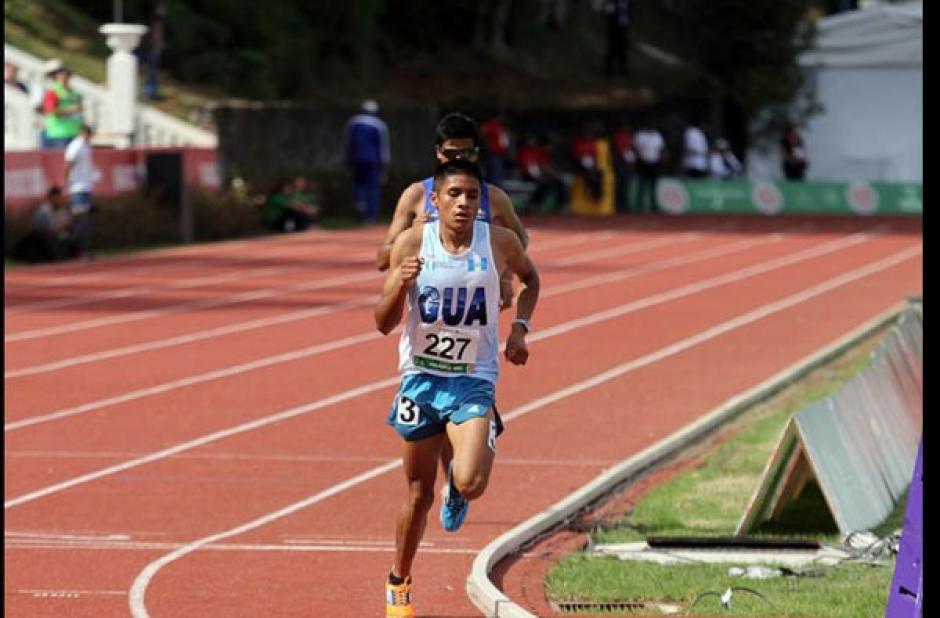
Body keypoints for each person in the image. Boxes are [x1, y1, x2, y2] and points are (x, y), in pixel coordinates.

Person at [375, 159, 540, 618]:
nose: (464, 203)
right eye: (454, 194)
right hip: (420, 379)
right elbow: (382, 322)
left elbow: (532, 280)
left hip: (473, 378)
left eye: (471, 195)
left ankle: (478, 442)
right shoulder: (412, 243)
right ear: (435, 201)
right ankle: (399, 581)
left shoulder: (500, 243)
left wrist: (520, 328)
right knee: (417, 494)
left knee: (469, 483)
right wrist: (399, 284)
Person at [376, 111, 529, 508]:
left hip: (473, 323)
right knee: (438, 421)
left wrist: (503, 276)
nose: (458, 159)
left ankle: (462, 474)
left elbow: (519, 243)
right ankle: (455, 481)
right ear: (437, 153)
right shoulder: (416, 196)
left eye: (467, 153)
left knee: (462, 410)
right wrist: (416, 236)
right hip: (430, 318)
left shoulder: (492, 197)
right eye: (451, 153)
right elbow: (382, 256)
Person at [344, 99, 390, 223]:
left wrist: (348, 160)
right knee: (373, 187)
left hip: (357, 159)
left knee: (359, 183)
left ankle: (360, 203)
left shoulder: (353, 122)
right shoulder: (379, 125)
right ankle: (370, 216)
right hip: (373, 161)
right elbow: (384, 147)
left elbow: (349, 144)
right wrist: (385, 165)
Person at [10, 186, 75, 263]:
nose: (57, 200)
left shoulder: (64, 211)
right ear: (50, 198)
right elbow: (45, 230)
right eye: (55, 198)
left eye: (59, 198)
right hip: (46, 241)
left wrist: (68, 224)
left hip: (61, 239)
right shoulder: (43, 211)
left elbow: (68, 227)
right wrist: (61, 228)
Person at [64, 124, 99, 258]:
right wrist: (67, 184)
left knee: (86, 222)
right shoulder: (76, 146)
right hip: (77, 188)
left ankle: (83, 250)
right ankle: (77, 251)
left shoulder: (86, 147)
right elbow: (68, 163)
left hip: (85, 187)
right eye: (88, 134)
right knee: (80, 221)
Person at [516, 133, 567, 214]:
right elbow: (526, 167)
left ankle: (561, 205)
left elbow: (543, 165)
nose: (532, 142)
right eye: (530, 140)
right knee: (543, 184)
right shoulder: (523, 151)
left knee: (560, 182)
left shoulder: (537, 151)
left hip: (539, 175)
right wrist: (539, 176)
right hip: (527, 175)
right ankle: (533, 204)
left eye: (533, 140)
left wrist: (553, 175)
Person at [42, 63, 83, 150]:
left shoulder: (73, 92)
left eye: (67, 74)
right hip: (58, 134)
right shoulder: (53, 91)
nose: (64, 76)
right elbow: (50, 110)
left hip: (74, 133)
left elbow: (79, 112)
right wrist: (70, 110)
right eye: (61, 74)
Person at [632, 118, 667, 213]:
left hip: (654, 163)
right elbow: (635, 149)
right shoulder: (640, 135)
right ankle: (638, 206)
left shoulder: (657, 136)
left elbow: (662, 149)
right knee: (642, 185)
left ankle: (654, 206)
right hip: (642, 163)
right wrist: (639, 160)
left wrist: (662, 159)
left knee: (654, 186)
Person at [481, 112, 512, 188]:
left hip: (502, 154)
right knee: (495, 174)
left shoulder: (502, 127)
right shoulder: (491, 125)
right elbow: (482, 132)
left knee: (499, 173)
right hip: (493, 153)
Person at [610, 122, 636, 213]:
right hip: (619, 164)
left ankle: (624, 205)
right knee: (619, 185)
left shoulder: (629, 136)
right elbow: (619, 148)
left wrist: (631, 160)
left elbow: (631, 149)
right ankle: (618, 205)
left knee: (625, 186)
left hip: (627, 164)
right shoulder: (618, 136)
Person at [602, 0, 631, 77]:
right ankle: (609, 67)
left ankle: (621, 66)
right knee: (612, 42)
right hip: (613, 18)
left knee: (622, 42)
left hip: (623, 16)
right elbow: (609, 7)